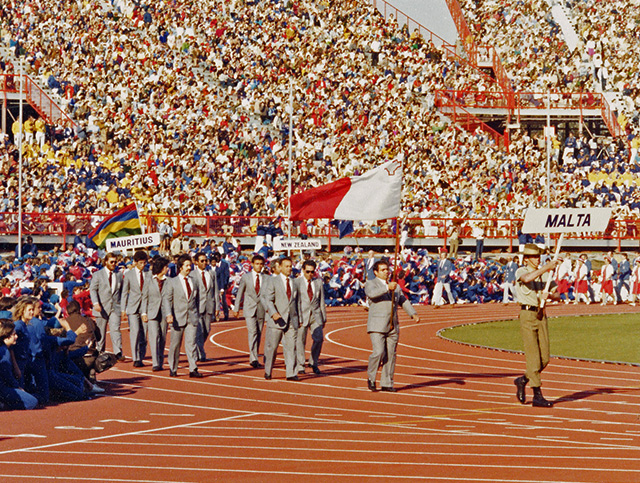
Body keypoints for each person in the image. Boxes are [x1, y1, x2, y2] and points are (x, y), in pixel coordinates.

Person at [513, 244, 559, 408]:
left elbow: (557, 293)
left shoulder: (545, 275)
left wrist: (550, 295)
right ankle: (537, 395)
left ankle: (523, 379)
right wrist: (547, 267)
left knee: (544, 358)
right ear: (526, 258)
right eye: (533, 256)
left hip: (541, 315)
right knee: (533, 357)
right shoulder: (521, 271)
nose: (536, 259)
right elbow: (527, 279)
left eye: (538, 256)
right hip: (527, 315)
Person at [365, 260, 419, 392]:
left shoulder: (395, 286)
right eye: (383, 270)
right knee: (378, 352)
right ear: (376, 272)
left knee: (390, 355)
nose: (386, 272)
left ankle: (387, 382)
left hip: (392, 325)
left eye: (387, 270)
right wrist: (387, 288)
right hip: (377, 325)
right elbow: (372, 294)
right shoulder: (371, 284)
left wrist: (412, 313)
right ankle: (371, 377)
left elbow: (403, 300)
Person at [162, 254, 205, 378]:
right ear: (180, 267)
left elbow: (196, 299)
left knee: (191, 343)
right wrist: (169, 314)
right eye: (186, 265)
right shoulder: (172, 282)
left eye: (190, 265)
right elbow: (167, 300)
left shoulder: (194, 280)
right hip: (177, 317)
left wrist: (197, 312)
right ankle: (173, 367)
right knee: (175, 344)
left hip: (192, 317)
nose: (189, 267)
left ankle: (193, 368)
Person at [261, 257, 299, 381]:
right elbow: (268, 300)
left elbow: (297, 302)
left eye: (290, 266)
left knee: (291, 347)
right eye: (286, 266)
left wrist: (299, 318)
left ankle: (291, 373)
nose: (289, 269)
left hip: (291, 320)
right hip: (277, 320)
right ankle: (268, 370)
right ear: (280, 267)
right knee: (272, 348)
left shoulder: (294, 282)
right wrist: (273, 313)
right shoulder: (273, 281)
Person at [232, 254, 266, 369]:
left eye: (261, 264)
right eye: (257, 264)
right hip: (249, 309)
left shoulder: (266, 278)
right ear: (252, 265)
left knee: (259, 333)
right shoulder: (246, 277)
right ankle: (253, 358)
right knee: (253, 332)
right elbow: (240, 293)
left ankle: (255, 354)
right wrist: (236, 308)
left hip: (261, 309)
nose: (259, 266)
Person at [90, 252, 124, 360]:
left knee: (116, 329)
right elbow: (93, 290)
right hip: (101, 307)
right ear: (106, 262)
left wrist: (122, 307)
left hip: (115, 307)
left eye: (115, 262)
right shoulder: (98, 275)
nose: (114, 264)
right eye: (112, 262)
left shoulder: (118, 275)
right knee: (101, 331)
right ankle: (100, 350)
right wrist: (96, 303)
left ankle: (118, 352)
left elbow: (121, 291)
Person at [295, 259, 326, 375]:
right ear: (303, 270)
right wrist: (297, 317)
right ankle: (300, 365)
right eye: (307, 271)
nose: (309, 274)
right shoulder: (297, 283)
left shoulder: (318, 282)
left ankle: (313, 362)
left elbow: (321, 300)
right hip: (302, 315)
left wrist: (324, 317)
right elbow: (296, 301)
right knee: (300, 341)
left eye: (312, 272)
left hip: (316, 315)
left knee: (319, 339)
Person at [0, 319, 38, 410]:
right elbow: (7, 375)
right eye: (13, 335)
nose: (16, 337)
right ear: (6, 336)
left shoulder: (5, 349)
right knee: (32, 401)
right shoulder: (3, 352)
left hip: (3, 387)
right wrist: (17, 386)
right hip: (3, 388)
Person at [120, 250, 149, 367]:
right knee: (135, 332)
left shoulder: (149, 273)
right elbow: (124, 292)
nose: (142, 265)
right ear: (135, 262)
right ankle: (136, 358)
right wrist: (123, 309)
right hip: (133, 307)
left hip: (145, 308)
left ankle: (141, 356)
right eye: (140, 263)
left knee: (144, 334)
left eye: (144, 263)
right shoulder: (129, 274)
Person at [141, 256, 170, 371]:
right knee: (154, 337)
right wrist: (144, 312)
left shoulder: (169, 281)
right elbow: (144, 297)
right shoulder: (149, 280)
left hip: (164, 312)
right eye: (166, 267)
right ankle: (155, 363)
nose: (167, 269)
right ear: (161, 268)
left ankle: (160, 360)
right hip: (152, 311)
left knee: (162, 337)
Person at [193, 253, 219, 362]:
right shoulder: (192, 275)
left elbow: (215, 291)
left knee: (207, 330)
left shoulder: (211, 274)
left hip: (209, 306)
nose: (204, 263)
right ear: (196, 262)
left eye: (205, 261)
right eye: (202, 261)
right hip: (197, 307)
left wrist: (217, 306)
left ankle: (198, 347)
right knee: (199, 330)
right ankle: (200, 353)